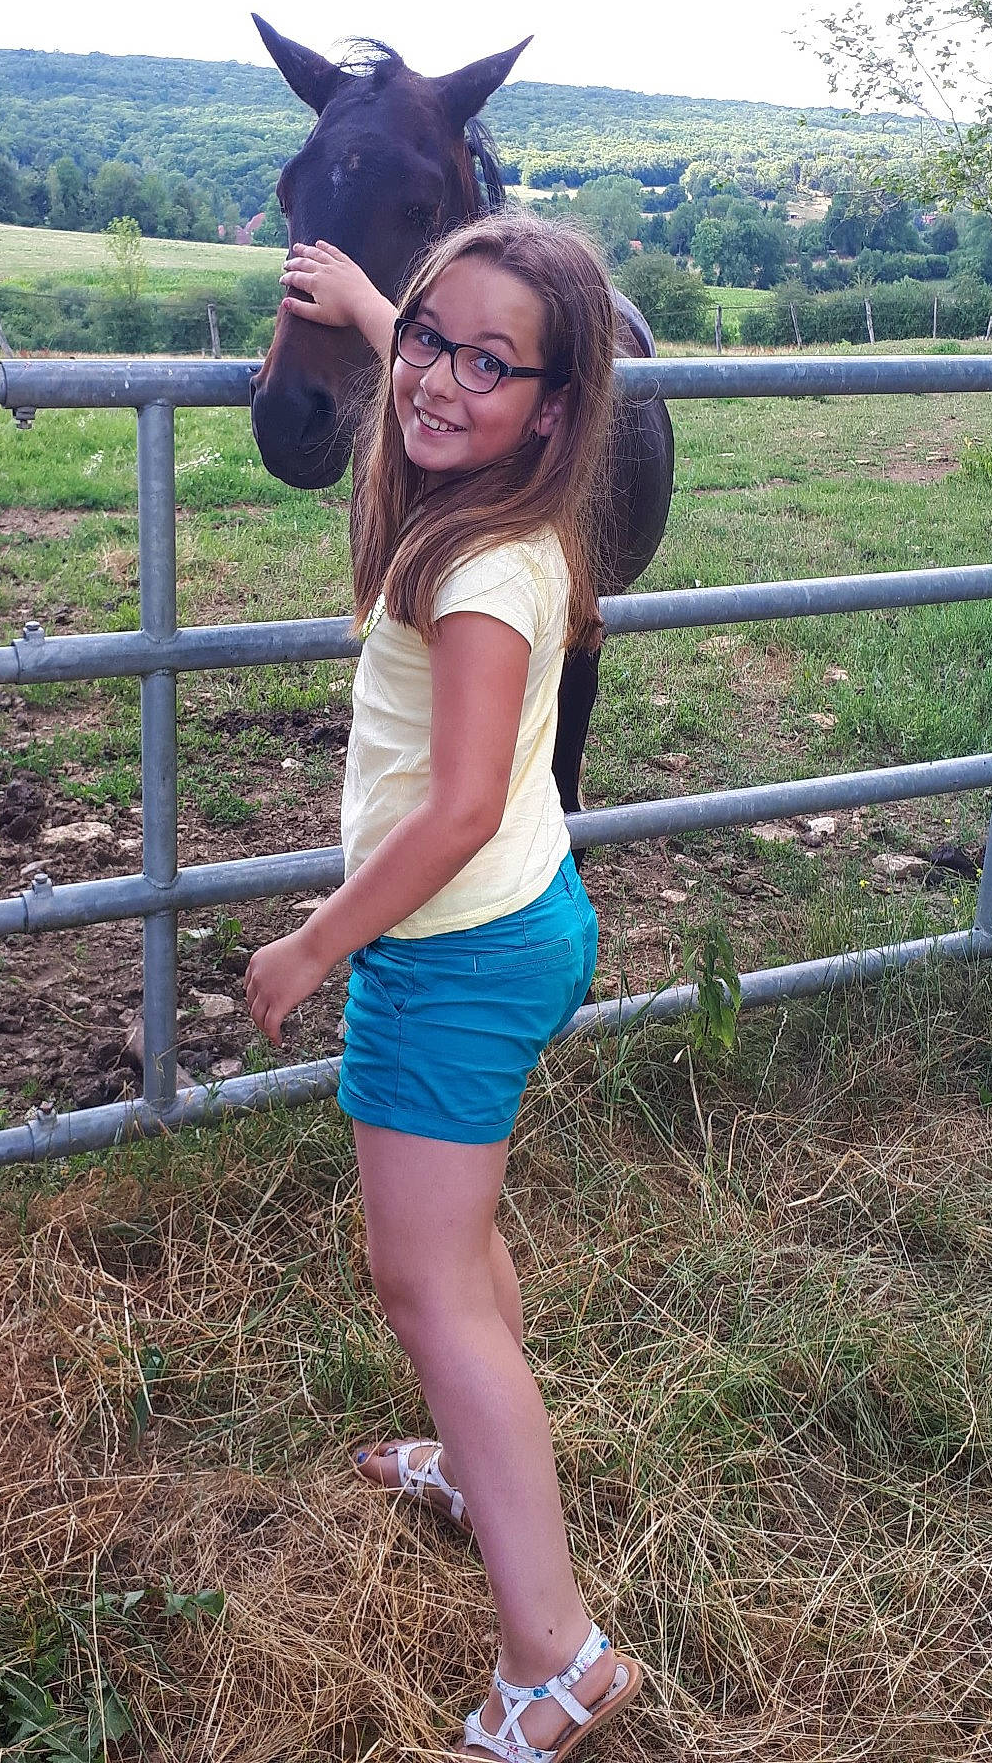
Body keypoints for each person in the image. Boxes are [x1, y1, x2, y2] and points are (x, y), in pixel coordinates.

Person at [244, 213, 645, 1759]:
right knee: (459, 1254)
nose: (439, 380)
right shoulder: (500, 515)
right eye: (428, 338)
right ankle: (481, 1469)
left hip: (448, 952)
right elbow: (420, 404)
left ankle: (556, 1658)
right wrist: (366, 308)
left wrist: (318, 941)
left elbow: (460, 803)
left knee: (422, 1284)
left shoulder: (480, 567)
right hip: (521, 924)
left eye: (493, 362)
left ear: (555, 404)